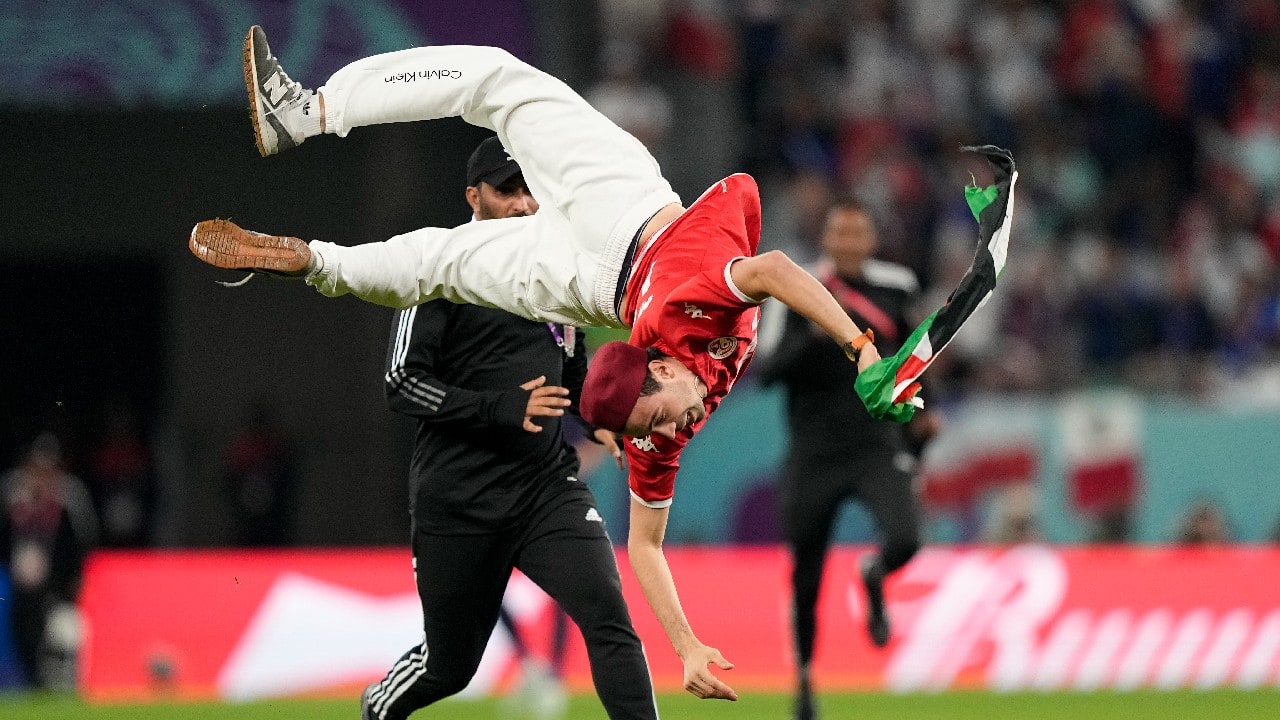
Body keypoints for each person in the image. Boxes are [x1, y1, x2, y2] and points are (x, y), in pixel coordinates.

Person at [190, 26, 910, 701]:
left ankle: (311, 145)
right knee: (440, 258)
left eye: (653, 423)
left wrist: (687, 646)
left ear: (653, 368)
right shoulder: (673, 369)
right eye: (658, 423)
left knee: (485, 123)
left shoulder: (674, 349)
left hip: (605, 252)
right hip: (605, 256)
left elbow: (647, 544)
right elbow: (775, 268)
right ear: (652, 371)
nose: (677, 426)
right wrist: (862, 348)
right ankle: (316, 251)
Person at [367, 135, 647, 720]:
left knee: (608, 615)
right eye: (507, 192)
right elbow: (401, 381)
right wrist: (498, 407)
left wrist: (602, 424)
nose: (523, 206)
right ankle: (378, 708)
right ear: (473, 197)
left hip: (545, 487)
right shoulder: (437, 268)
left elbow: (571, 375)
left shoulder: (555, 271)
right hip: (460, 498)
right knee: (449, 668)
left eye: (531, 192)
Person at [757, 199, 939, 720]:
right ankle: (806, 681)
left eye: (859, 233)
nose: (850, 242)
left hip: (876, 445)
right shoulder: (792, 286)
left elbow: (920, 351)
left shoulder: (898, 286)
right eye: (840, 233)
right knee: (806, 576)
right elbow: (766, 370)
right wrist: (812, 339)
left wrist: (929, 408)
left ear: (871, 239)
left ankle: (876, 574)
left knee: (907, 539)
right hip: (812, 453)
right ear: (827, 239)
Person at [0, 433, 99, 690]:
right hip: (16, 582)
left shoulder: (68, 498)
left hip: (54, 584)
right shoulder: (12, 495)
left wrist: (73, 576)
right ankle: (27, 682)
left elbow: (81, 540)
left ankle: (55, 683)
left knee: (57, 632)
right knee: (21, 629)